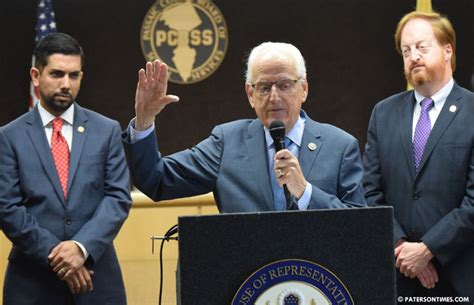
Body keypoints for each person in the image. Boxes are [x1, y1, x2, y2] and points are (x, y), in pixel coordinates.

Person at [122, 42, 366, 212]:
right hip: (248, 281)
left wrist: (305, 192)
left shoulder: (340, 146)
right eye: (263, 87)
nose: (273, 97)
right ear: (250, 94)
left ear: (304, 89)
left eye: (284, 85)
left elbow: (362, 225)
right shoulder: (227, 142)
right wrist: (144, 121)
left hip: (319, 280)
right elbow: (157, 180)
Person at [0, 33, 131, 305]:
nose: (65, 84)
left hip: (97, 278)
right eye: (57, 74)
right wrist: (60, 256)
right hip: (31, 283)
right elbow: (7, 207)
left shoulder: (107, 130)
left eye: (74, 75)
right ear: (36, 75)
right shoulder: (9, 136)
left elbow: (118, 197)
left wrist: (82, 249)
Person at [363, 11, 474, 301]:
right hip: (398, 277)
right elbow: (370, 192)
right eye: (406, 50)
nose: (413, 56)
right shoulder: (383, 114)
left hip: (460, 276)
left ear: (447, 50)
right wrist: (402, 247)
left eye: (422, 47)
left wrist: (428, 249)